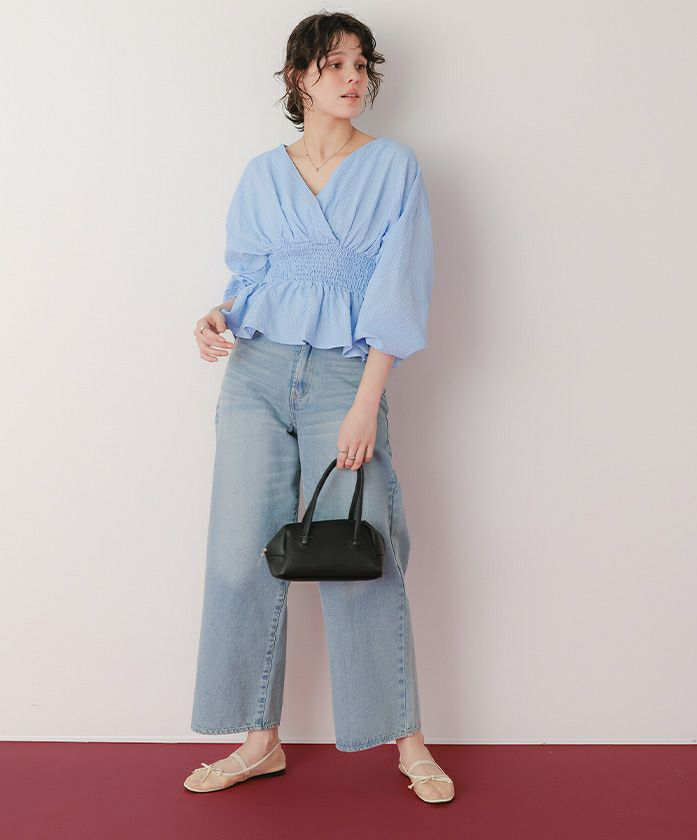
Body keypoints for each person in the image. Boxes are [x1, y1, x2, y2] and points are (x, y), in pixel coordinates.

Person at [183, 12, 455, 805]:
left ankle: (408, 741)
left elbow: (399, 290)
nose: (353, 77)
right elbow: (253, 279)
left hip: (345, 376)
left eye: (361, 64)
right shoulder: (262, 174)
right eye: (335, 63)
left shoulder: (392, 165)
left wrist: (367, 403)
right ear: (299, 75)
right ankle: (258, 742)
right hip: (255, 373)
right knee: (237, 555)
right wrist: (219, 314)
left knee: (362, 553)